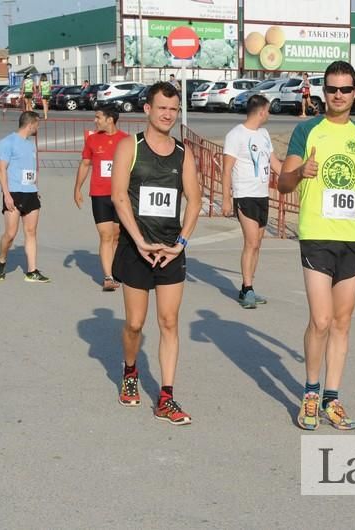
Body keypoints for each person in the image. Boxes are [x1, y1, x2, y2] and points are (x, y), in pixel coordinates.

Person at [278, 60, 355, 431]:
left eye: (345, 89)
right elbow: (283, 183)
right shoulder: (307, 131)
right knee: (321, 320)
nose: (338, 95)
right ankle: (312, 393)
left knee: (342, 323)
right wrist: (300, 172)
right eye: (331, 89)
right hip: (316, 236)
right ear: (323, 92)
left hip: (352, 239)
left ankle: (332, 399)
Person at [110, 82, 201, 424]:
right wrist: (139, 240)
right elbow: (119, 196)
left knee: (168, 322)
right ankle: (130, 372)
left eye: (173, 109)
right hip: (137, 249)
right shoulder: (128, 147)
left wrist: (181, 243)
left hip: (169, 252)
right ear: (147, 109)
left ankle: (166, 397)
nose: (167, 114)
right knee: (135, 323)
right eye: (162, 107)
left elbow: (194, 199)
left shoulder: (183, 153)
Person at [221, 94, 282, 308]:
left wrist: (296, 176)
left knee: (258, 245)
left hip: (262, 195)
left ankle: (250, 287)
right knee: (251, 242)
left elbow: (275, 163)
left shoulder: (264, 134)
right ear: (262, 111)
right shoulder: (235, 135)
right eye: (268, 110)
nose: (269, 114)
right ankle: (246, 288)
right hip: (244, 195)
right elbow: (227, 169)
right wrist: (226, 199)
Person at [74, 107, 128, 291]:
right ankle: (108, 276)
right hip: (99, 194)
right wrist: (77, 189)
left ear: (110, 119)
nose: (95, 121)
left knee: (116, 235)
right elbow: (85, 164)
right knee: (106, 235)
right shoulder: (92, 139)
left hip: (121, 196)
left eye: (98, 117)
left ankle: (115, 271)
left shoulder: (126, 140)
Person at [0, 111, 51, 284]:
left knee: (31, 232)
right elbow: (1, 169)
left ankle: (32, 271)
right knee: (11, 234)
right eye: (37, 124)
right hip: (14, 192)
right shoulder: (7, 142)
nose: (38, 128)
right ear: (30, 124)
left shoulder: (30, 144)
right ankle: (1, 259)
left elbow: (31, 168)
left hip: (31, 192)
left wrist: (35, 187)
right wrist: (6, 194)